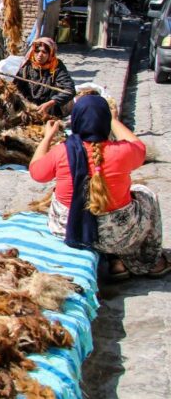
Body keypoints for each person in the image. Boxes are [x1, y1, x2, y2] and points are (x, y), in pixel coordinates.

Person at [29, 95, 170, 280]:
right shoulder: (122, 152)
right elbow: (139, 147)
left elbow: (36, 172)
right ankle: (150, 262)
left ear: (76, 121)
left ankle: (115, 263)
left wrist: (47, 137)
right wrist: (113, 120)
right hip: (118, 234)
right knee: (145, 194)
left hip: (70, 229)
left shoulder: (61, 151)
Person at [14, 37, 75, 116]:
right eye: (37, 51)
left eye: (44, 52)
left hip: (51, 109)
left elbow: (70, 90)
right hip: (29, 108)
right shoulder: (27, 66)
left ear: (51, 54)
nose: (39, 55)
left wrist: (51, 103)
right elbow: (15, 87)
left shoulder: (57, 67)